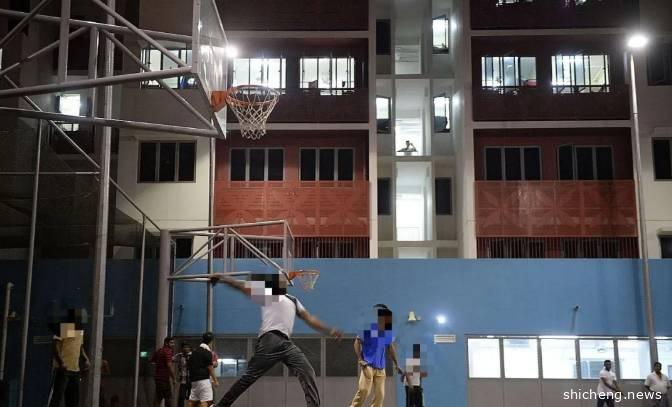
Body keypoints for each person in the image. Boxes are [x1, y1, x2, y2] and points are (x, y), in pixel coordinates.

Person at [211, 272, 343, 407]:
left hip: (287, 344)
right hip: (270, 340)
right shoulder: (270, 293)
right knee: (248, 378)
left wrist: (329, 330)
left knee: (307, 371)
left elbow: (310, 319)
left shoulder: (293, 300)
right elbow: (242, 286)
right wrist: (223, 278)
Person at [349, 304, 402, 407]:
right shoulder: (368, 329)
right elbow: (357, 342)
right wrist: (360, 359)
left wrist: (397, 364)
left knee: (380, 396)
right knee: (364, 391)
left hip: (381, 368)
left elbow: (390, 347)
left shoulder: (387, 332)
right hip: (368, 365)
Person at [49, 322, 90, 407]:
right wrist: (61, 363)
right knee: (57, 397)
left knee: (73, 400)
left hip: (75, 370)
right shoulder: (65, 328)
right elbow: (55, 346)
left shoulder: (80, 331)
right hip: (64, 369)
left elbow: (80, 347)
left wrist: (86, 359)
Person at [188, 333, 219, 406]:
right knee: (206, 401)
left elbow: (190, 365)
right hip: (204, 380)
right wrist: (215, 381)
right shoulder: (207, 352)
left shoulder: (194, 352)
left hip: (194, 381)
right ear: (211, 341)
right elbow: (210, 368)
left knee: (192, 401)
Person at [151, 336, 176, 407]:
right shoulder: (168, 351)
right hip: (164, 378)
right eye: (171, 343)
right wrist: (174, 378)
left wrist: (161, 364)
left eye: (173, 343)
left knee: (158, 397)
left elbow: (152, 362)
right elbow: (169, 366)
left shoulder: (159, 351)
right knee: (168, 398)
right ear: (166, 343)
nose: (173, 344)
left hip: (158, 378)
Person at [173, 342, 193, 407]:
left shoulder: (193, 355)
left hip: (192, 380)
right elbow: (172, 359)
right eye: (184, 347)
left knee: (192, 397)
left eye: (187, 347)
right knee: (181, 397)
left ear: (190, 348)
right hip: (183, 380)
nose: (186, 348)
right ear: (182, 348)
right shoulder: (180, 356)